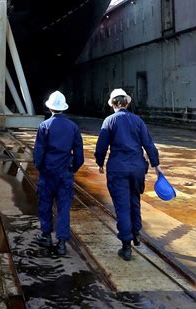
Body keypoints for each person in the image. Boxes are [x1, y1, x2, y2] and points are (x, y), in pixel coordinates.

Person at [94, 88, 161, 261]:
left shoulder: (109, 121)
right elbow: (148, 144)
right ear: (126, 103)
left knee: (122, 206)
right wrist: (156, 165)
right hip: (137, 168)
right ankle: (136, 233)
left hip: (118, 169)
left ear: (113, 104)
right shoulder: (138, 121)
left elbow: (101, 146)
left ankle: (126, 246)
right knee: (134, 200)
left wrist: (100, 162)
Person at [33, 90, 84, 256]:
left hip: (48, 172)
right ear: (63, 108)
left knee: (45, 205)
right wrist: (73, 168)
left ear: (50, 108)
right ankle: (62, 243)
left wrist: (40, 168)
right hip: (65, 172)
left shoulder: (44, 126)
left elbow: (39, 152)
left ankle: (46, 236)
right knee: (63, 207)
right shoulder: (73, 127)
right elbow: (79, 155)